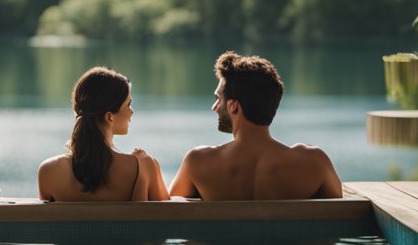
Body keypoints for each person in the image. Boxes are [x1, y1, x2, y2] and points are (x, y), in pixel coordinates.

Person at [170, 50, 342, 201]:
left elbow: (169, 212)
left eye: (218, 99)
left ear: (233, 106)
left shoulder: (198, 162)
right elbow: (341, 213)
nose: (214, 107)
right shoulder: (315, 162)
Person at [38, 66, 169, 201]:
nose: (132, 111)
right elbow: (170, 216)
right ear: (109, 117)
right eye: (128, 104)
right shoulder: (142, 167)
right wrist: (147, 163)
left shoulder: (49, 171)